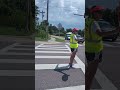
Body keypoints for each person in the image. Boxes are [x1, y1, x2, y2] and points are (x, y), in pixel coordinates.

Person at [85, 6, 120, 90]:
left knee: (88, 71)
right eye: (99, 12)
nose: (101, 14)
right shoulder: (94, 23)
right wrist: (115, 31)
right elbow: (100, 34)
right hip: (95, 51)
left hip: (89, 49)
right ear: (94, 13)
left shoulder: (87, 21)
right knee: (91, 74)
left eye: (101, 12)